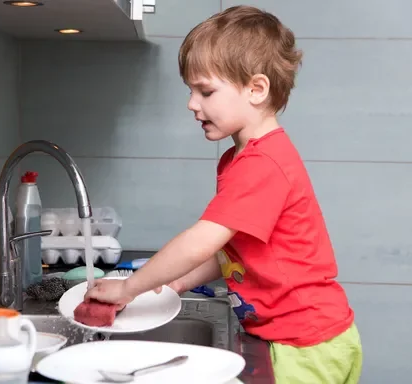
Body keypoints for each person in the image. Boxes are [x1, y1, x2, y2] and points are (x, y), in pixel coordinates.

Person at [84, 5, 363, 383]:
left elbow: (202, 240)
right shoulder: (244, 157)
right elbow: (234, 249)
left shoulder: (261, 163)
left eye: (206, 91)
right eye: (190, 91)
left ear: (256, 89)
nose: (192, 104)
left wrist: (130, 288)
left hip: (303, 345)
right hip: (313, 338)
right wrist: (178, 282)